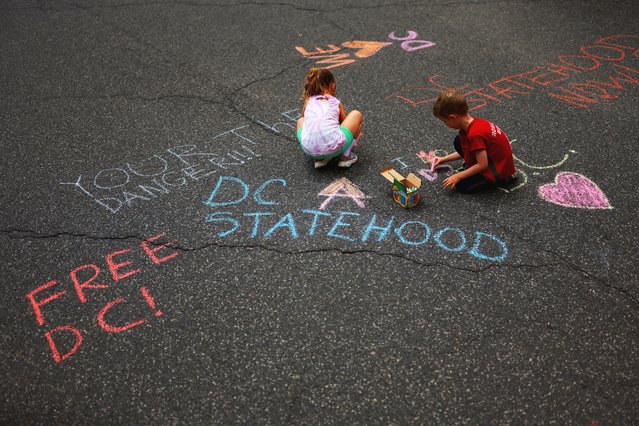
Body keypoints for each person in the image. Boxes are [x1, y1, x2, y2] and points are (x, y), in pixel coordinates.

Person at [431, 89, 517, 193]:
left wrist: (458, 176)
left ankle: (503, 179)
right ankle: (473, 169)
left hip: (499, 169)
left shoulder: (474, 134)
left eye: (444, 121)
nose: (445, 124)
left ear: (452, 117)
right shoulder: (474, 124)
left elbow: (482, 165)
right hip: (494, 158)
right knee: (459, 141)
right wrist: (443, 159)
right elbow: (468, 148)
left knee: (462, 185)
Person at [296, 68, 363, 168]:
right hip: (334, 147)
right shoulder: (335, 102)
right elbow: (344, 123)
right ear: (333, 86)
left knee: (300, 120)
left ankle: (320, 159)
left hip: (309, 150)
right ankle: (346, 156)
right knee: (356, 114)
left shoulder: (308, 101)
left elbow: (304, 120)